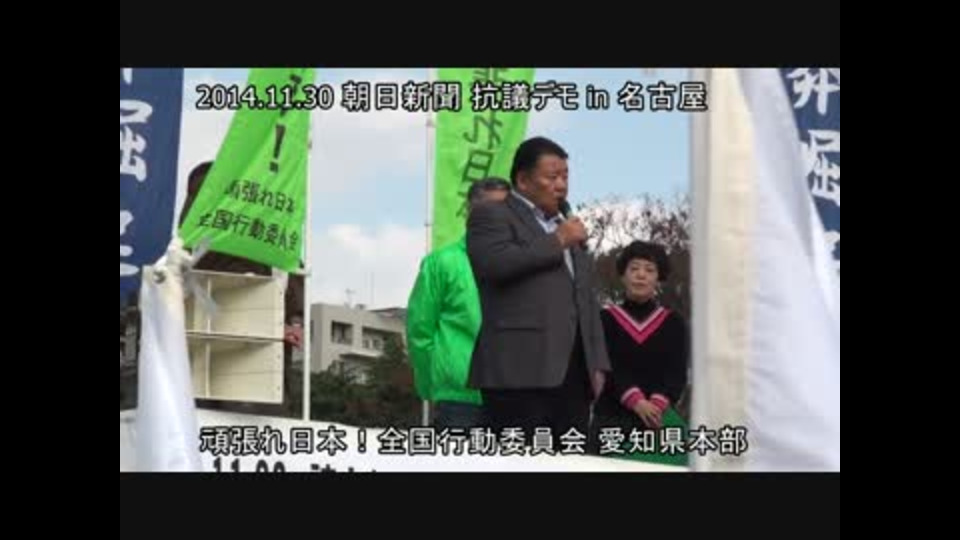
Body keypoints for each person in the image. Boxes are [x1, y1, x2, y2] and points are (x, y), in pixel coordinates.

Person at [466, 136, 610, 444]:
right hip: (518, 371)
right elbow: (495, 264)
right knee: (521, 461)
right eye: (552, 177)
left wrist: (597, 363)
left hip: (573, 374)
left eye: (565, 177)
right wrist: (557, 241)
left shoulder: (567, 224)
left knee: (570, 461)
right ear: (523, 180)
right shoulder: (492, 214)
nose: (561, 185)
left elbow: (585, 298)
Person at [179, 161, 304, 416]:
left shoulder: (270, 245)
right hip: (235, 365)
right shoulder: (206, 244)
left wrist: (293, 322)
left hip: (250, 366)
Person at [406, 178, 511, 429]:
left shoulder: (524, 263)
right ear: (470, 212)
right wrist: (433, 387)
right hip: (459, 397)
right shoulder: (442, 263)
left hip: (514, 397)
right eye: (492, 210)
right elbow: (420, 330)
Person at [590, 240, 689, 452]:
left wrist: (656, 405)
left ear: (658, 278)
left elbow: (677, 372)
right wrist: (636, 402)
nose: (641, 275)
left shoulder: (673, 322)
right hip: (611, 418)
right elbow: (605, 366)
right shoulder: (605, 319)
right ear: (623, 275)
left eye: (649, 270)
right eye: (634, 268)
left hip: (655, 421)